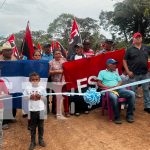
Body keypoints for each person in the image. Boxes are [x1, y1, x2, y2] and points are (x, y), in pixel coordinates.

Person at [97, 58, 135, 124]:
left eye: (115, 64)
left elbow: (120, 81)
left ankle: (129, 115)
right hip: (109, 90)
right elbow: (99, 83)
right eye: (114, 64)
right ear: (108, 65)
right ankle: (117, 117)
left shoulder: (115, 73)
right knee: (114, 97)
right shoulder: (102, 72)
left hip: (119, 89)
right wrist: (108, 87)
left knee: (132, 94)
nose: (115, 65)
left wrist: (117, 85)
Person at [123, 32, 150, 113]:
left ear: (141, 38)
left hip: (145, 73)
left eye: (139, 37)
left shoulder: (146, 48)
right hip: (133, 74)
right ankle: (132, 106)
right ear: (133, 39)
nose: (138, 38)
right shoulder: (129, 49)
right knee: (132, 91)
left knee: (146, 90)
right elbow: (124, 60)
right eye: (136, 37)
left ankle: (147, 106)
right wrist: (127, 71)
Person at [23, 72, 46, 150]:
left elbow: (45, 98)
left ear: (39, 80)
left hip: (41, 110)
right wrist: (30, 97)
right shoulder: (27, 88)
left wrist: (40, 97)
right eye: (33, 80)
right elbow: (24, 97)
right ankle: (32, 142)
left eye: (36, 79)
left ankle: (41, 139)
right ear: (30, 80)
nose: (35, 81)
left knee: (41, 126)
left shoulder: (42, 88)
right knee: (32, 127)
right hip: (32, 110)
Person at [49, 50, 69, 119]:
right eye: (56, 54)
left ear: (61, 54)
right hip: (55, 82)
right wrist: (56, 71)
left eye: (59, 53)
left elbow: (67, 69)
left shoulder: (64, 61)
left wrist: (62, 71)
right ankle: (58, 113)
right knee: (57, 98)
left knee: (65, 97)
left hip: (63, 82)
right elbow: (49, 72)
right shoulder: (51, 62)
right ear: (53, 55)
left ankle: (66, 111)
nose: (58, 55)